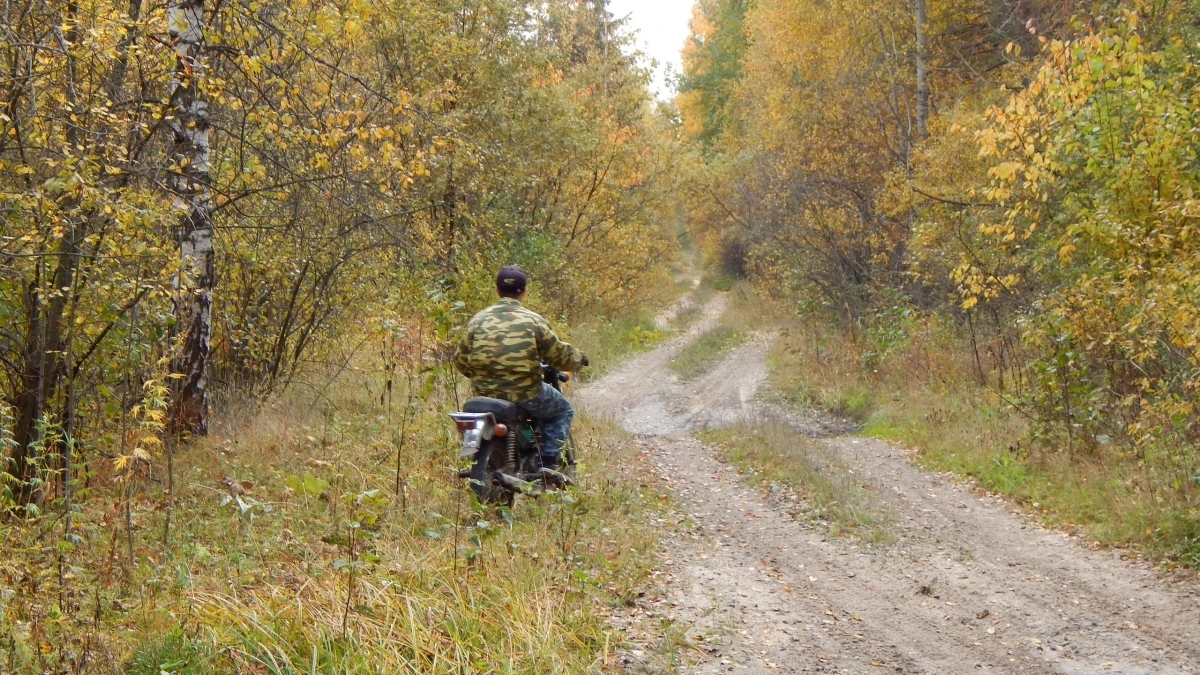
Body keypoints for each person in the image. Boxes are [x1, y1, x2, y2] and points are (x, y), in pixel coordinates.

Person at [452, 265, 588, 470]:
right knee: (562, 410)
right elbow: (559, 355)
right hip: (526, 393)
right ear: (523, 292)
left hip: (485, 394)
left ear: (497, 290)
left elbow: (461, 361)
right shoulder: (533, 321)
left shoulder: (477, 321)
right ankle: (548, 464)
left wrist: (484, 378)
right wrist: (579, 359)